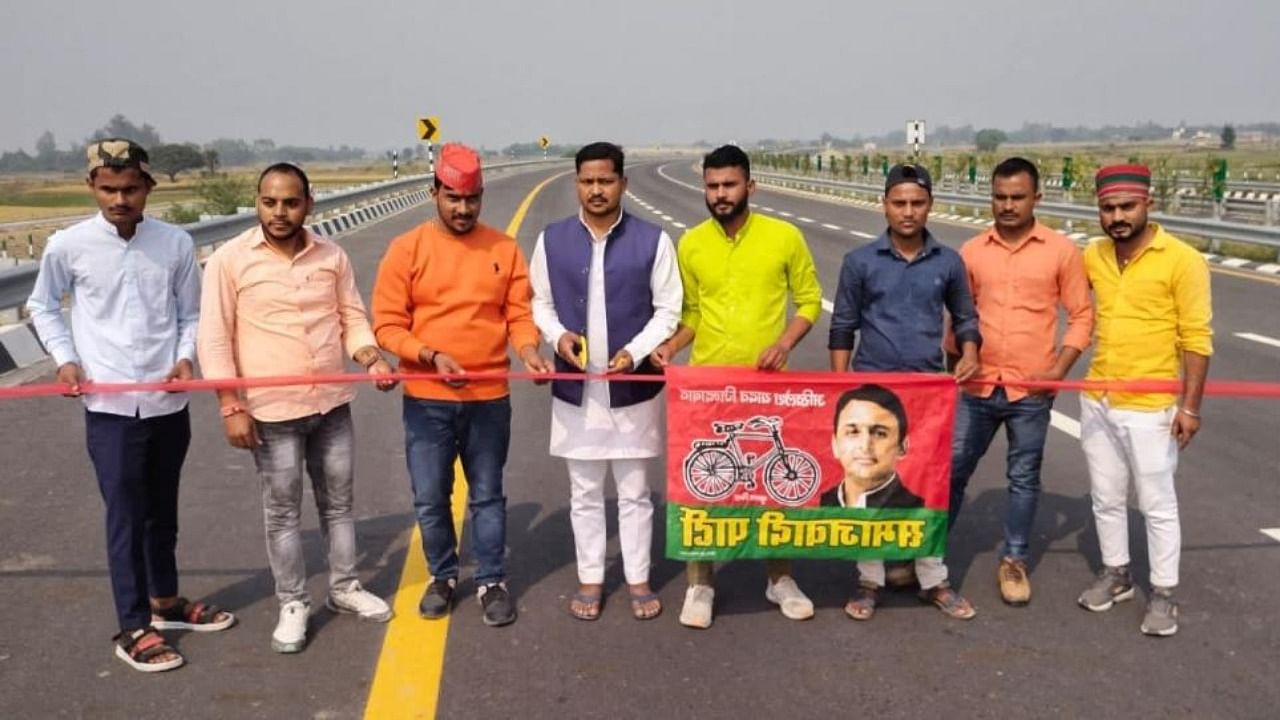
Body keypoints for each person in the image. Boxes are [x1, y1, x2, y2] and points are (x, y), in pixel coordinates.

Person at [26, 139, 233, 673]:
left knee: (163, 511)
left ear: (148, 187)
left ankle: (166, 603)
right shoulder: (67, 245)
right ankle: (132, 624)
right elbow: (43, 306)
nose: (119, 199)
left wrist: (186, 359)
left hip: (167, 402)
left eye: (130, 188)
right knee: (126, 516)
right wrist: (66, 359)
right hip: (109, 405)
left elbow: (192, 314)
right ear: (92, 187)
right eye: (108, 189)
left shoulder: (175, 243)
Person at [198, 163, 396, 654]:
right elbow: (215, 338)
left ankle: (344, 588)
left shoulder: (331, 256)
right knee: (283, 512)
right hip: (270, 412)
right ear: (258, 202)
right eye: (270, 202)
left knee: (339, 503)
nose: (280, 212)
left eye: (290, 202)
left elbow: (351, 316)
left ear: (309, 203)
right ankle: (292, 602)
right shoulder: (230, 261)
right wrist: (230, 405)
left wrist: (370, 356)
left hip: (331, 404)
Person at [372, 143, 552, 628]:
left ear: (481, 196)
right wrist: (429, 355)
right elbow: (387, 325)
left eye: (471, 198)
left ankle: (492, 580)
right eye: (452, 197)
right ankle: (443, 576)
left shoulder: (503, 248)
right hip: (427, 402)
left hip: (489, 399)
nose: (462, 208)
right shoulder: (406, 249)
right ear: (435, 193)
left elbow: (518, 313)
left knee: (488, 494)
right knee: (431, 497)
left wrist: (531, 351)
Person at [653, 144, 823, 629]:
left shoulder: (784, 237)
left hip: (769, 386)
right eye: (712, 186)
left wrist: (785, 342)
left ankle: (781, 578)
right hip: (706, 388)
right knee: (701, 488)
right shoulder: (691, 244)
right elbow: (691, 315)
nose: (720, 194)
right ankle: (700, 585)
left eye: (729, 185)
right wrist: (672, 347)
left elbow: (810, 300)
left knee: (779, 490)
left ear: (751, 185)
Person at [529, 142, 681, 621]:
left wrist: (634, 353)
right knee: (584, 490)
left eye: (606, 181)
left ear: (623, 183)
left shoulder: (653, 241)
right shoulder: (551, 240)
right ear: (576, 183)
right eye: (588, 181)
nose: (596, 190)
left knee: (635, 489)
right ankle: (591, 577)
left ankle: (637, 577)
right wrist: (558, 337)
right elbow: (540, 304)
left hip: (633, 387)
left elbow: (669, 310)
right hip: (577, 389)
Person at [828, 163, 980, 622]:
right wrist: (841, 387)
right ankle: (870, 580)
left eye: (917, 203)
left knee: (929, 486)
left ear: (930, 205)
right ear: (885, 205)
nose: (908, 212)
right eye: (900, 203)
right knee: (869, 481)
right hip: (872, 390)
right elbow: (842, 328)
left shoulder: (949, 262)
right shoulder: (860, 262)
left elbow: (966, 317)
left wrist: (969, 352)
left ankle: (933, 579)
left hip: (930, 392)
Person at [949, 157, 1094, 606]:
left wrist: (1058, 370)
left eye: (1017, 197)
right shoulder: (971, 251)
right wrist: (954, 359)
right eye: (1000, 197)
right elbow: (958, 315)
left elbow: (1083, 316)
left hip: (1031, 390)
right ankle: (924, 554)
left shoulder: (1061, 251)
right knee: (952, 469)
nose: (1008, 205)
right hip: (976, 387)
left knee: (1024, 475)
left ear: (1036, 198)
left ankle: (1013, 560)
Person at [1076, 164, 1212, 637]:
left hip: (1151, 403)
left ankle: (1164, 594)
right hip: (1097, 397)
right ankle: (1117, 576)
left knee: (1157, 503)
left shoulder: (1182, 259)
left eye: (1126, 207)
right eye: (1108, 208)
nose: (1117, 216)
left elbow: (1196, 338)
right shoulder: (1093, 256)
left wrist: (1189, 408)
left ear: (1147, 204)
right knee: (1106, 497)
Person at [823, 385, 924, 509]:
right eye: (853, 432)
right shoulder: (817, 505)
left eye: (879, 433)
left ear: (902, 446)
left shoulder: (920, 509)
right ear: (835, 444)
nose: (865, 446)